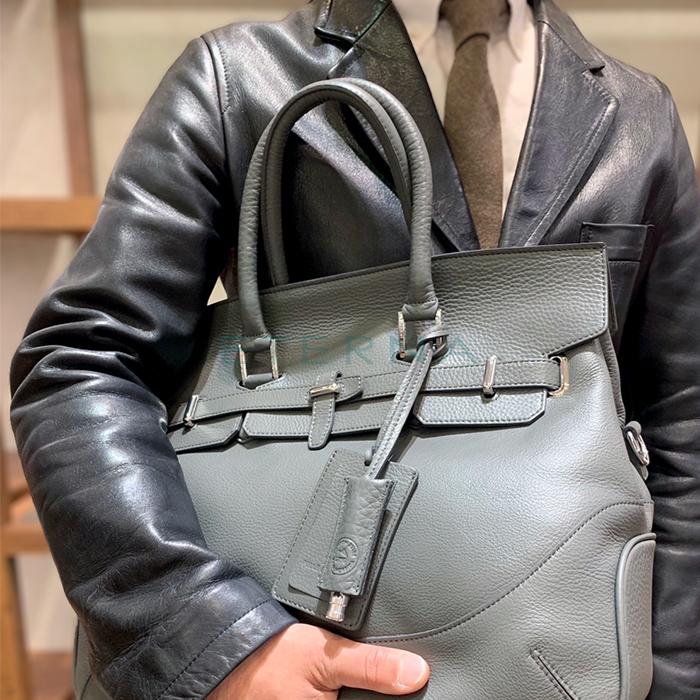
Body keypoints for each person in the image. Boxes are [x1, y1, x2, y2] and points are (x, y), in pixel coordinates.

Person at [9, 0, 699, 698]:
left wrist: (673, 679)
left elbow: (682, 421)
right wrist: (210, 639)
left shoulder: (637, 116)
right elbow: (80, 363)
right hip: (295, 648)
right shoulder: (239, 77)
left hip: (565, 661)